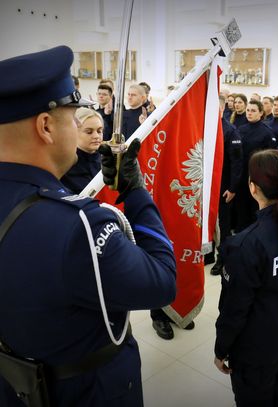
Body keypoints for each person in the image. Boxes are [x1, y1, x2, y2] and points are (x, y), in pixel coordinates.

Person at [0, 46, 176, 407]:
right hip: (82, 391)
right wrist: (136, 193)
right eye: (71, 117)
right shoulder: (78, 224)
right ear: (46, 126)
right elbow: (161, 282)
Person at [214, 149, 278, 406]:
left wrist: (221, 348)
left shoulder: (244, 245)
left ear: (252, 187)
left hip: (257, 347)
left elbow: (234, 309)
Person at [210, 96, 243, 276]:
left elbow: (237, 163)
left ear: (222, 109)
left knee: (222, 225)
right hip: (208, 186)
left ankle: (222, 258)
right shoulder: (205, 126)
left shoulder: (230, 131)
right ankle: (208, 253)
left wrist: (232, 188)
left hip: (223, 186)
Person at [234, 100, 275, 231]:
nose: (249, 113)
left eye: (253, 111)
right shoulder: (240, 129)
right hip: (241, 175)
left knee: (254, 207)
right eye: (248, 110)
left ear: (261, 113)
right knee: (240, 207)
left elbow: (270, 157)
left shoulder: (266, 132)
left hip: (257, 176)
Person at [60, 108, 103, 194]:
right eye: (89, 132)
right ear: (73, 132)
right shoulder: (64, 167)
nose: (96, 136)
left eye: (99, 131)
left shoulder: (107, 162)